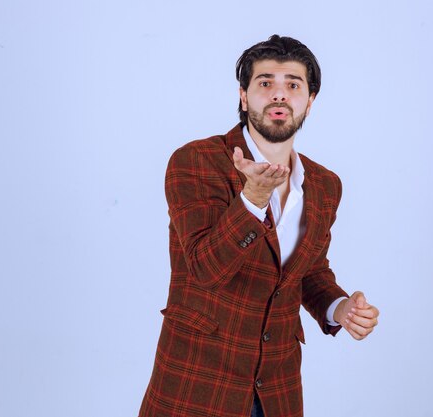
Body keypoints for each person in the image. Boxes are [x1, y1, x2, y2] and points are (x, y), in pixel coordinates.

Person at [138, 35, 379, 417]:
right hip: (197, 387)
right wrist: (251, 200)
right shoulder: (195, 160)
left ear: (310, 101)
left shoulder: (325, 184)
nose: (279, 95)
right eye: (265, 83)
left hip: (277, 393)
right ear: (244, 97)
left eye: (293, 85)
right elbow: (205, 267)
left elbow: (308, 271)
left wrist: (340, 307)